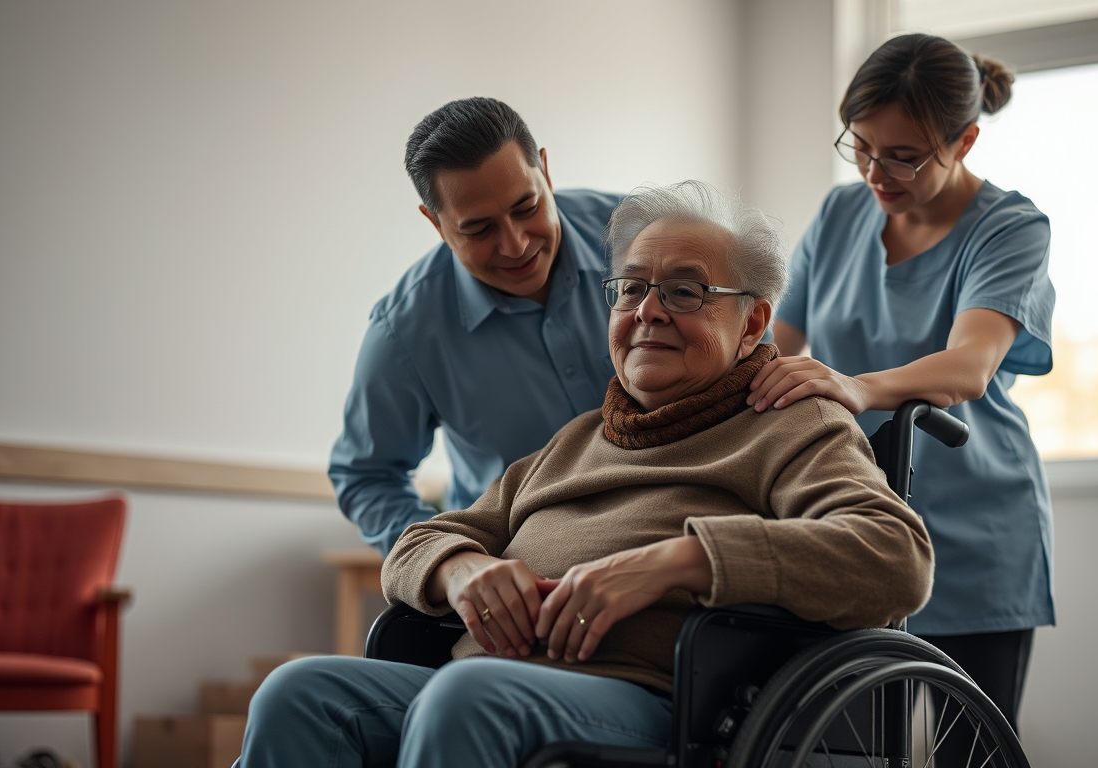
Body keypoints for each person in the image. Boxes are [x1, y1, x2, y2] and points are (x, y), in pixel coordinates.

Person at [240, 181, 934, 767]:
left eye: (686, 292)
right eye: (630, 289)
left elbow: (895, 557)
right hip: (487, 682)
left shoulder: (788, 423)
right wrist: (461, 571)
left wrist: (679, 560)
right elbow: (420, 543)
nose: (648, 311)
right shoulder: (574, 440)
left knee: (468, 696)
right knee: (299, 691)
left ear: (753, 323)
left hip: (667, 707)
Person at [746, 33, 1055, 740]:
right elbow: (769, 350)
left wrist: (856, 388)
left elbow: (970, 365)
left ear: (965, 140)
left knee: (967, 744)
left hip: (978, 530)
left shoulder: (1009, 228)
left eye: (904, 155)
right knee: (846, 744)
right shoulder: (839, 216)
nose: (876, 172)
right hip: (855, 521)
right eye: (860, 146)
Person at [329, 97, 621, 555]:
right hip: (524, 566)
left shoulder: (642, 236)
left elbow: (740, 340)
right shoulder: (404, 331)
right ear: (437, 224)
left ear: (545, 171)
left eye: (526, 207)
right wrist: (449, 559)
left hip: (677, 530)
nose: (515, 244)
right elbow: (367, 477)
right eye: (479, 229)